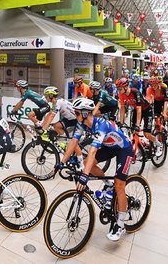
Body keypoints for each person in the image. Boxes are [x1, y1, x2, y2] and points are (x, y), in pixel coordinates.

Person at [55, 98, 133, 242]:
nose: (75, 115)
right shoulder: (81, 124)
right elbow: (73, 142)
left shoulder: (101, 125)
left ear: (85, 114)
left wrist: (85, 176)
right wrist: (61, 162)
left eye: (77, 113)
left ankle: (120, 224)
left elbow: (92, 151)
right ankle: (108, 187)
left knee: (119, 185)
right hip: (109, 147)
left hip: (124, 148)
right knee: (86, 163)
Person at [117, 77, 163, 157]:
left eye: (120, 88)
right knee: (134, 132)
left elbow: (139, 110)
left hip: (146, 110)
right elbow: (122, 108)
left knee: (147, 134)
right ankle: (140, 148)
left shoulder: (135, 92)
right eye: (118, 88)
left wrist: (138, 125)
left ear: (126, 87)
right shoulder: (121, 94)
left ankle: (159, 145)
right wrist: (121, 122)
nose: (118, 90)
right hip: (136, 109)